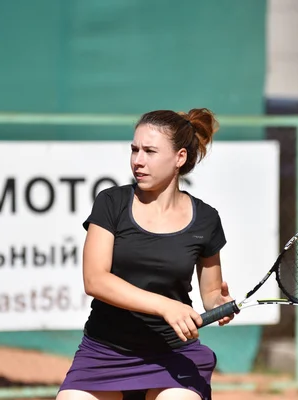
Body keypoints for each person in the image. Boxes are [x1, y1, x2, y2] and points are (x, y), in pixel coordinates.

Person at [56, 108, 236, 400]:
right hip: (104, 352)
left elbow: (212, 293)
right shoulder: (111, 203)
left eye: (150, 151)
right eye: (134, 149)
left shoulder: (206, 219)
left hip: (174, 354)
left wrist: (220, 302)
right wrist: (165, 306)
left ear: (180, 157)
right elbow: (95, 280)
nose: (138, 161)